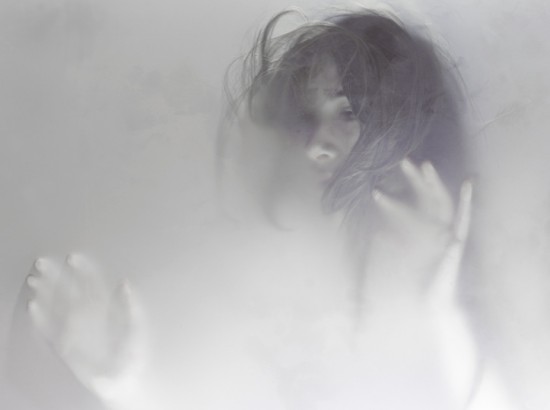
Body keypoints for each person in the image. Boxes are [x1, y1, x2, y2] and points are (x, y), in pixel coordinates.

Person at [24, 8, 488, 410]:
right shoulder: (239, 276)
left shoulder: (449, 318)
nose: (316, 145)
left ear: (404, 127)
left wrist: (437, 310)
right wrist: (126, 388)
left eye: (348, 113)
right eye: (306, 117)